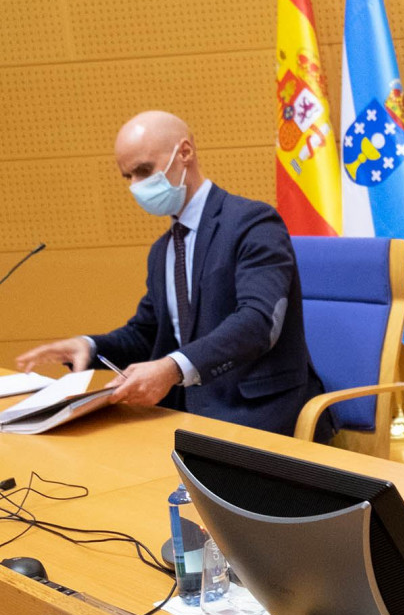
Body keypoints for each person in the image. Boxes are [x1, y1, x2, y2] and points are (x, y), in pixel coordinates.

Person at [16, 111, 330, 440]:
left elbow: (259, 323)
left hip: (259, 412)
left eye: (143, 171)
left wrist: (172, 368)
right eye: (128, 177)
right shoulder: (163, 250)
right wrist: (89, 346)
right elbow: (146, 334)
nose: (135, 186)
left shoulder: (252, 223)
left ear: (185, 153)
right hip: (188, 412)